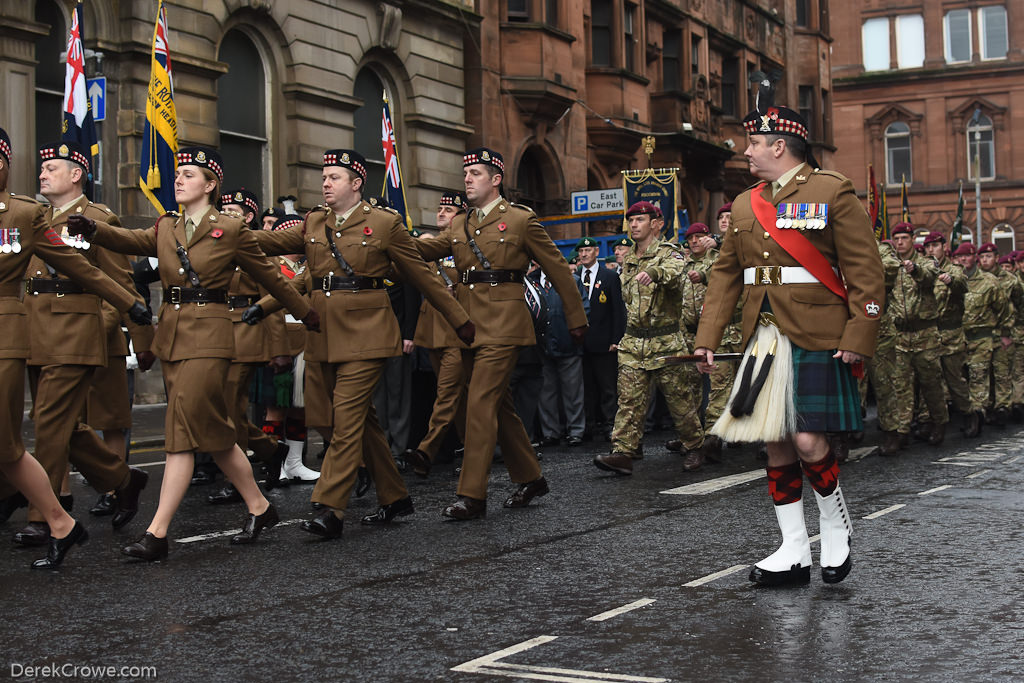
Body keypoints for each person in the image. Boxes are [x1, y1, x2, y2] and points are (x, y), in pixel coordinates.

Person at [67, 146, 319, 561]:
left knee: (180, 430)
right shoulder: (167, 226)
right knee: (216, 433)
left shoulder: (231, 230)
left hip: (212, 336)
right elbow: (131, 238)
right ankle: (260, 507)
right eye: (178, 173)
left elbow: (272, 278)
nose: (179, 179)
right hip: (173, 334)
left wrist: (305, 312)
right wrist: (93, 230)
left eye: (188, 173)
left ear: (210, 184)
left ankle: (157, 531)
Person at [694, 88, 884, 586]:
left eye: (753, 141)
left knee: (806, 437)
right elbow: (724, 277)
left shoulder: (831, 191)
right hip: (765, 334)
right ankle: (793, 548)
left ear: (779, 145)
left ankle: (835, 524)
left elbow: (866, 272)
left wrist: (860, 332)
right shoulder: (743, 204)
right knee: (774, 442)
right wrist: (707, 336)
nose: (747, 150)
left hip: (820, 332)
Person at [247, 149, 474, 536]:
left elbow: (422, 276)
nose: (325, 183)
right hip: (323, 335)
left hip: (367, 333)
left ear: (356, 183)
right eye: (324, 176)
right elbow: (274, 252)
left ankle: (329, 507)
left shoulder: (385, 224)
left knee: (348, 419)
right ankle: (394, 495)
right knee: (337, 420)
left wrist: (460, 321)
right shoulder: (313, 221)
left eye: (334, 177)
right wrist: (217, 233)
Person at [0, 127, 151, 568]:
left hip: (76, 330)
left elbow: (115, 279)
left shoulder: (95, 217)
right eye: (42, 167)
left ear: (77, 173)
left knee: (48, 422)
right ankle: (122, 479)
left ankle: (44, 517)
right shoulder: (29, 216)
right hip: (31, 329)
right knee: (57, 425)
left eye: (52, 168)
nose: (43, 174)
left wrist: (134, 328)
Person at [414, 147, 586, 519]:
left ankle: (472, 495)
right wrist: (389, 238)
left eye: (475, 173)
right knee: (497, 406)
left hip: (505, 323)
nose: (467, 179)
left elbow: (556, 268)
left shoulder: (520, 220)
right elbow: (425, 250)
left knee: (479, 402)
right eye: (465, 174)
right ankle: (531, 477)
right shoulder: (461, 224)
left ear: (496, 180)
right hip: (469, 325)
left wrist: (576, 319)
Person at [593, 201, 707, 476]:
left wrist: (655, 272)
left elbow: (674, 275)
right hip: (634, 342)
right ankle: (623, 452)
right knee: (629, 400)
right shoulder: (628, 257)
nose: (633, 225)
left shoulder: (669, 253)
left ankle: (694, 446)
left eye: (640, 220)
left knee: (679, 399)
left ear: (655, 224)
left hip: (665, 340)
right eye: (631, 220)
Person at [405, 191, 469, 474]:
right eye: (440, 208)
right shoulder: (428, 245)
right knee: (459, 397)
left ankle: (426, 450)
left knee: (447, 393)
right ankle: (473, 448)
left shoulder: (468, 242)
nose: (441, 213)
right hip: (431, 329)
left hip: (457, 330)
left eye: (448, 209)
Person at [884, 222, 948, 449]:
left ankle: (939, 422)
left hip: (925, 334)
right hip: (900, 335)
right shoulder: (890, 265)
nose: (900, 242)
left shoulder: (925, 262)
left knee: (931, 384)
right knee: (900, 385)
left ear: (912, 240)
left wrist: (915, 270)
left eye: (904, 238)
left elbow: (931, 275)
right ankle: (901, 432)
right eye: (897, 238)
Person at [920, 231, 971, 435]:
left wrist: (951, 281)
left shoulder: (954, 269)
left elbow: (961, 285)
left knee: (954, 380)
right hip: (929, 333)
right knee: (930, 381)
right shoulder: (923, 270)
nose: (931, 249)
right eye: (928, 246)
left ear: (944, 246)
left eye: (935, 245)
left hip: (950, 334)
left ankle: (970, 414)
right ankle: (935, 422)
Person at [533, 263, 589, 447]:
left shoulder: (571, 281)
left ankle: (576, 431)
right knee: (546, 393)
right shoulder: (531, 282)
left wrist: (575, 333)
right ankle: (551, 432)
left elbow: (584, 309)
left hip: (568, 344)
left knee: (573, 392)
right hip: (542, 346)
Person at [575, 236, 625, 441]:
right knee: (586, 387)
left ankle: (609, 424)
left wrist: (616, 338)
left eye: (588, 251)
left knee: (607, 387)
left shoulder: (609, 276)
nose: (584, 254)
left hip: (604, 341)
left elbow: (617, 311)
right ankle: (589, 424)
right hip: (581, 342)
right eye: (581, 252)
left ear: (596, 252)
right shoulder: (575, 277)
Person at [977, 242, 1020, 426]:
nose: (985, 260)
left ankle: (1003, 408)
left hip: (1003, 332)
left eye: (988, 256)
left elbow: (1019, 303)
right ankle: (986, 408)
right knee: (983, 373)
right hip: (982, 333)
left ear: (996, 257)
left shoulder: (1010, 280)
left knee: (1002, 371)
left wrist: (1009, 330)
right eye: (982, 257)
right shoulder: (976, 280)